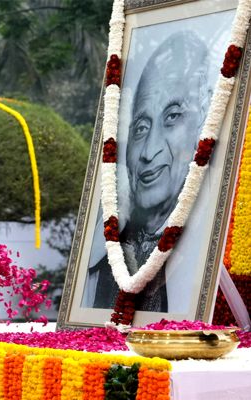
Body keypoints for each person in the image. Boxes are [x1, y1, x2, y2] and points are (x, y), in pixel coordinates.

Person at [89, 31, 212, 312]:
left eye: (172, 116)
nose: (148, 151)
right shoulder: (106, 246)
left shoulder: (205, 235)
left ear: (204, 118)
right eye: (141, 127)